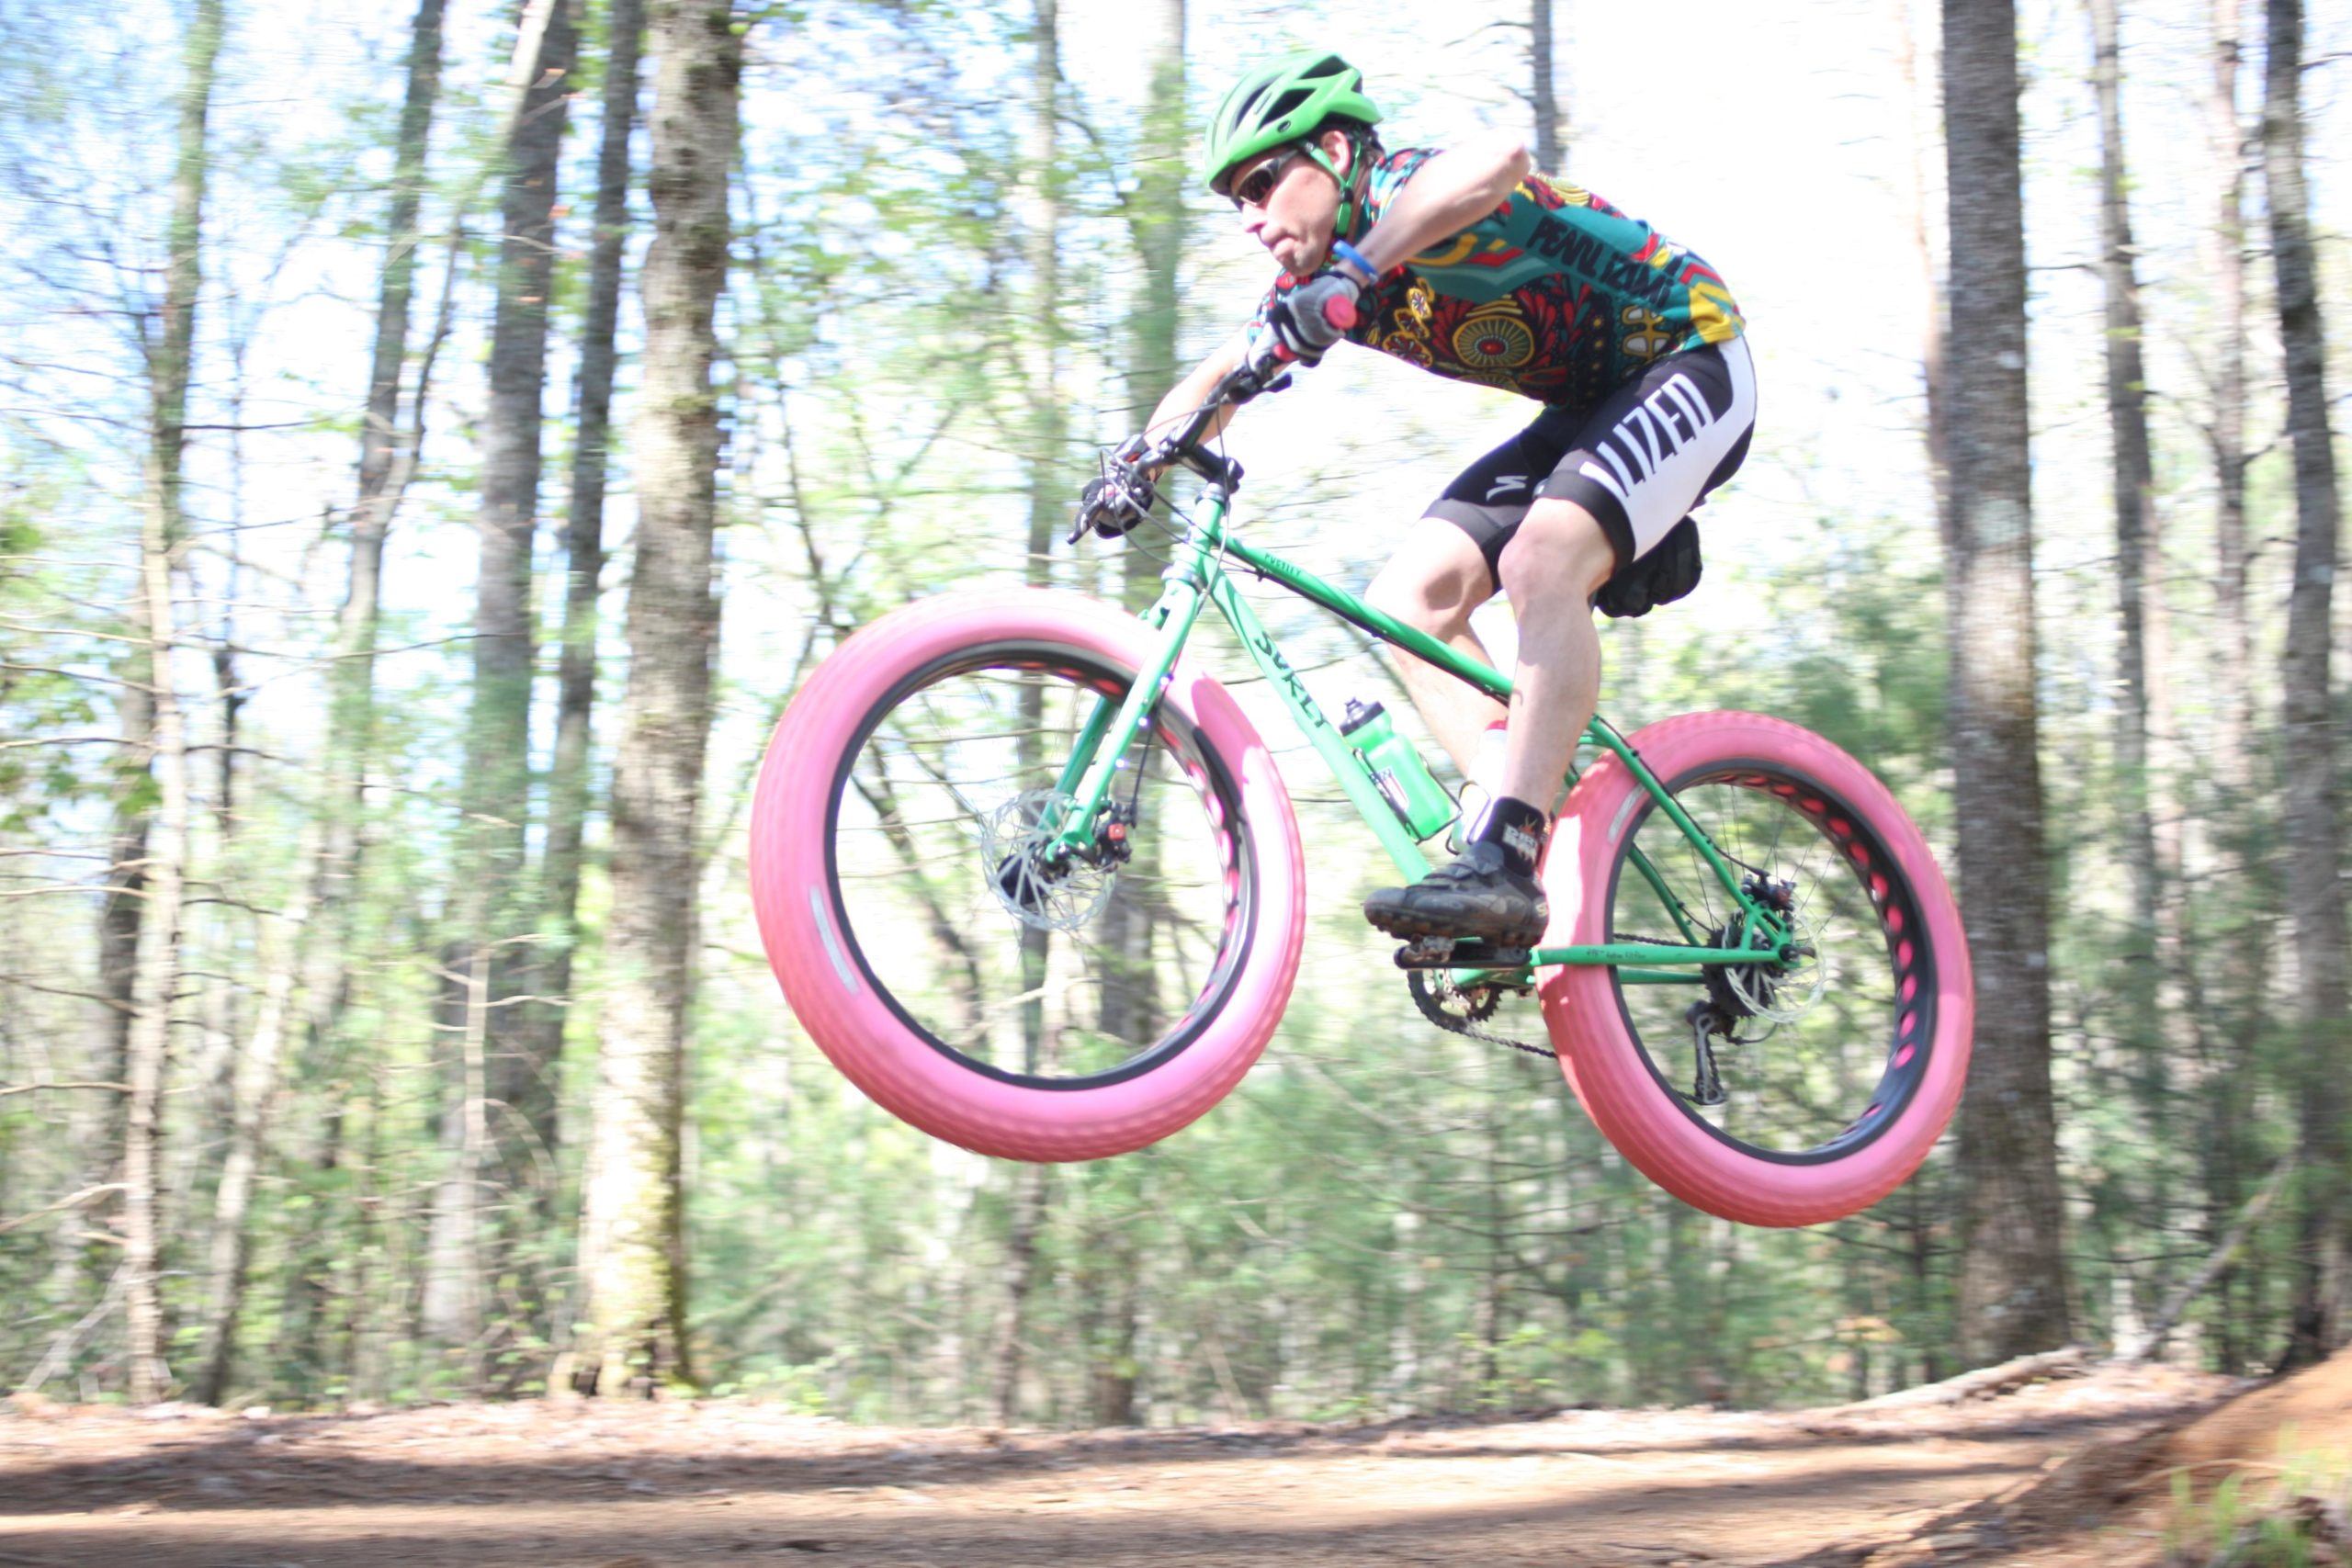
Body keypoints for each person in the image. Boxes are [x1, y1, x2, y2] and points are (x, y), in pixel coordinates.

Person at [1134, 49, 1755, 952]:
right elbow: (1222, 373)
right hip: (1590, 407)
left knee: (1539, 559)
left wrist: (1356, 268)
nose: (1250, 218)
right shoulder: (1309, 286)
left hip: (1691, 353)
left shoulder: (1402, 188)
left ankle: (1505, 855)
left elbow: (1500, 160)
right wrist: (1135, 462)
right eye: (1235, 201)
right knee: (1408, 600)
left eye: (1263, 184)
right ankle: (1521, 839)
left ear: (1338, 154)